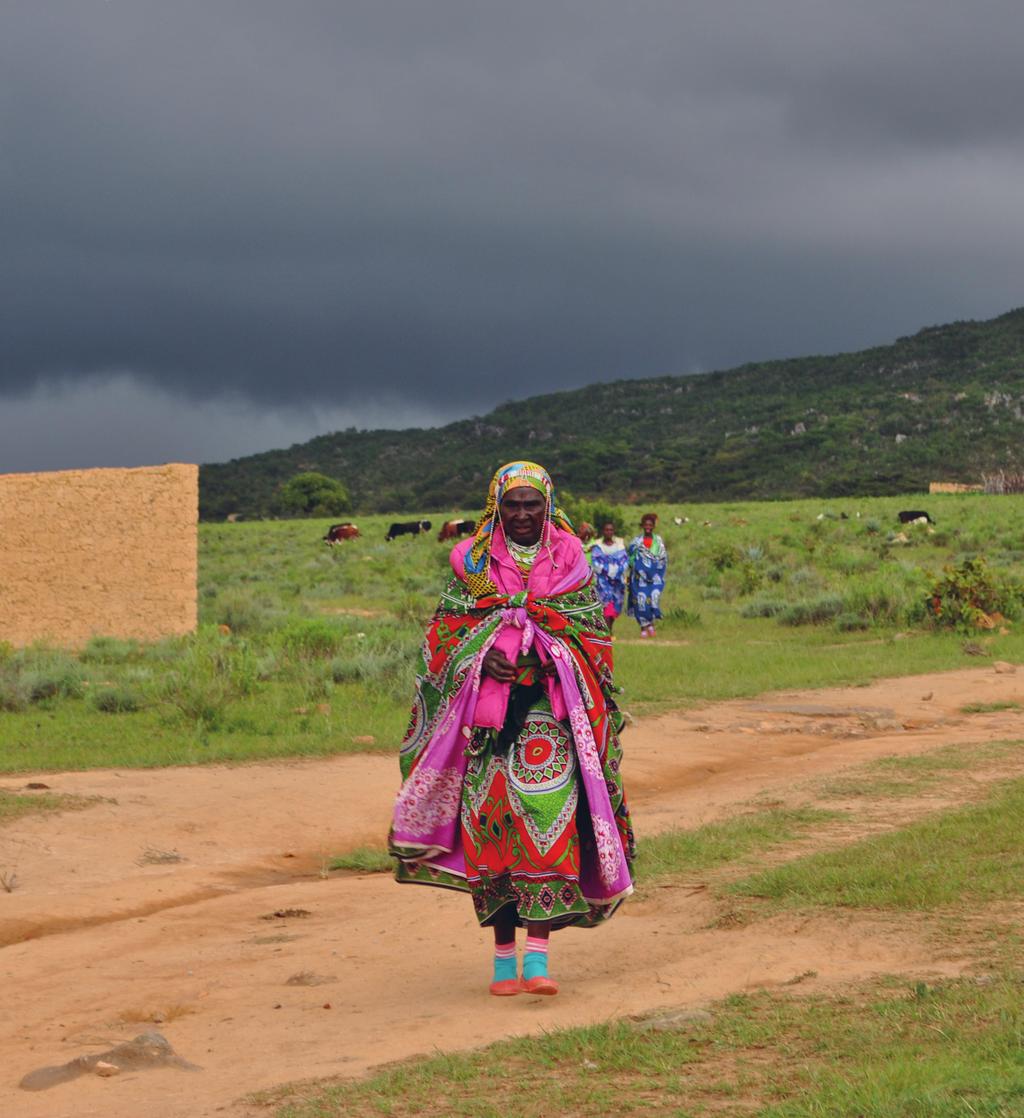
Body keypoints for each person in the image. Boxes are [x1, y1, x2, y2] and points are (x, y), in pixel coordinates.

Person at [389, 461, 635, 998]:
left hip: (551, 717)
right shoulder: (473, 565)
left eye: (533, 504)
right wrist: (482, 659)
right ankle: (503, 962)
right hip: (487, 722)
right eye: (512, 504)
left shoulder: (572, 562)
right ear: (494, 507)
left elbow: (593, 636)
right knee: (493, 827)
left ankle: (540, 959)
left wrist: (551, 656)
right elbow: (443, 639)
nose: (523, 515)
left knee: (548, 822)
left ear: (549, 507)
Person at [627, 512, 668, 638]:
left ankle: (651, 623)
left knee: (653, 600)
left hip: (655, 578)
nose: (648, 527)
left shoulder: (659, 541)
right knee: (641, 601)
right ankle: (644, 627)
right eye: (645, 525)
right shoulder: (636, 542)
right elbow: (630, 558)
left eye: (650, 525)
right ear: (642, 526)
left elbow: (663, 557)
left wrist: (654, 569)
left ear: (654, 526)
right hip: (639, 578)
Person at [589, 519, 629, 631]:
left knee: (615, 606)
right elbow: (595, 562)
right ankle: (608, 631)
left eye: (611, 530)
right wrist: (608, 570)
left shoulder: (620, 546)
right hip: (603, 583)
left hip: (617, 583)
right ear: (603, 531)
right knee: (606, 605)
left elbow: (625, 561)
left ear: (613, 531)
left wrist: (616, 571)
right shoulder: (597, 546)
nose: (609, 532)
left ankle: (609, 628)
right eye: (606, 530)